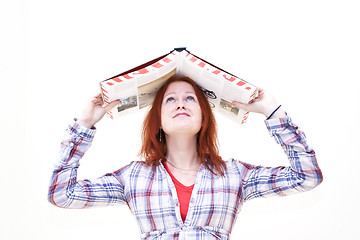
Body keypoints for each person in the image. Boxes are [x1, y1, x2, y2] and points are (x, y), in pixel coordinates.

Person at [48, 74, 323, 239]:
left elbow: (306, 176)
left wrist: (272, 111)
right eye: (170, 99)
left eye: (190, 98)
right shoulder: (133, 177)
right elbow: (62, 195)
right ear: (158, 120)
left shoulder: (235, 175)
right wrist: (83, 125)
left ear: (204, 117)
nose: (180, 102)